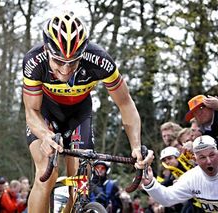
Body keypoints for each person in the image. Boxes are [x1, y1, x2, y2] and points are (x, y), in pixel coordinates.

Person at [22, 11, 152, 213]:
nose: (65, 70)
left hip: (79, 115)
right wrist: (46, 136)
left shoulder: (99, 60)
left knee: (81, 184)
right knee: (47, 173)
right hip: (46, 115)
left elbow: (126, 104)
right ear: (47, 50)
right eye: (58, 62)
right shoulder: (34, 61)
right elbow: (31, 111)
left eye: (73, 62)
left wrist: (136, 146)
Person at [142, 135, 218, 213]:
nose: (209, 161)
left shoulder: (186, 165)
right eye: (202, 157)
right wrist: (150, 183)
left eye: (212, 155)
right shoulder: (190, 177)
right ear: (195, 159)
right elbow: (167, 197)